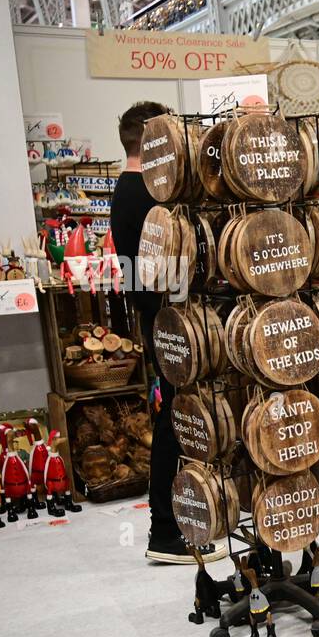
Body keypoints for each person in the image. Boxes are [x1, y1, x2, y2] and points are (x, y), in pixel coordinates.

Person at [111, 101, 226, 564]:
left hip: (160, 324)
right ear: (158, 140)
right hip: (170, 327)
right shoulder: (147, 197)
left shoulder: (127, 190)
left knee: (176, 421)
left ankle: (176, 525)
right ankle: (164, 531)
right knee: (175, 424)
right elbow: (167, 273)